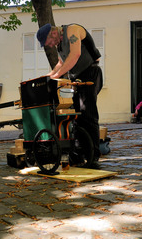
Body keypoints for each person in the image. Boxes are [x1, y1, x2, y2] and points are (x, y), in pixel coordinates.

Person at [37, 23, 103, 169]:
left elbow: (75, 55)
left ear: (52, 34)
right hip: (77, 79)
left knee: (88, 114)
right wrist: (47, 77)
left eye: (48, 42)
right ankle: (79, 155)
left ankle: (94, 156)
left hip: (90, 73)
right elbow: (61, 63)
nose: (50, 46)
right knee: (76, 117)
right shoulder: (60, 44)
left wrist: (57, 76)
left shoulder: (72, 30)